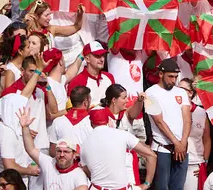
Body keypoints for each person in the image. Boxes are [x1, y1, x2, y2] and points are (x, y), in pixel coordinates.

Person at [81, 106, 156, 190]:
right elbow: (151, 155)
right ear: (108, 120)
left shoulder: (84, 143)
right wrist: (147, 184)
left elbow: (86, 169)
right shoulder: (122, 134)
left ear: (91, 123)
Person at [146, 58, 191, 190]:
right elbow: (158, 121)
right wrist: (176, 143)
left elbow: (187, 119)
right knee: (162, 187)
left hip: (182, 148)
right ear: (160, 74)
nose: (173, 80)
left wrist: (182, 142)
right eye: (170, 76)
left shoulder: (181, 92)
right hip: (162, 148)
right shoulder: (150, 93)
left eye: (176, 77)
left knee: (178, 187)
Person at [17, 107, 89, 190]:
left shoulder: (78, 173)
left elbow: (82, 188)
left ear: (74, 155)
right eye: (59, 151)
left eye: (66, 152)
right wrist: (25, 127)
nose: (62, 154)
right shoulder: (49, 163)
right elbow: (31, 149)